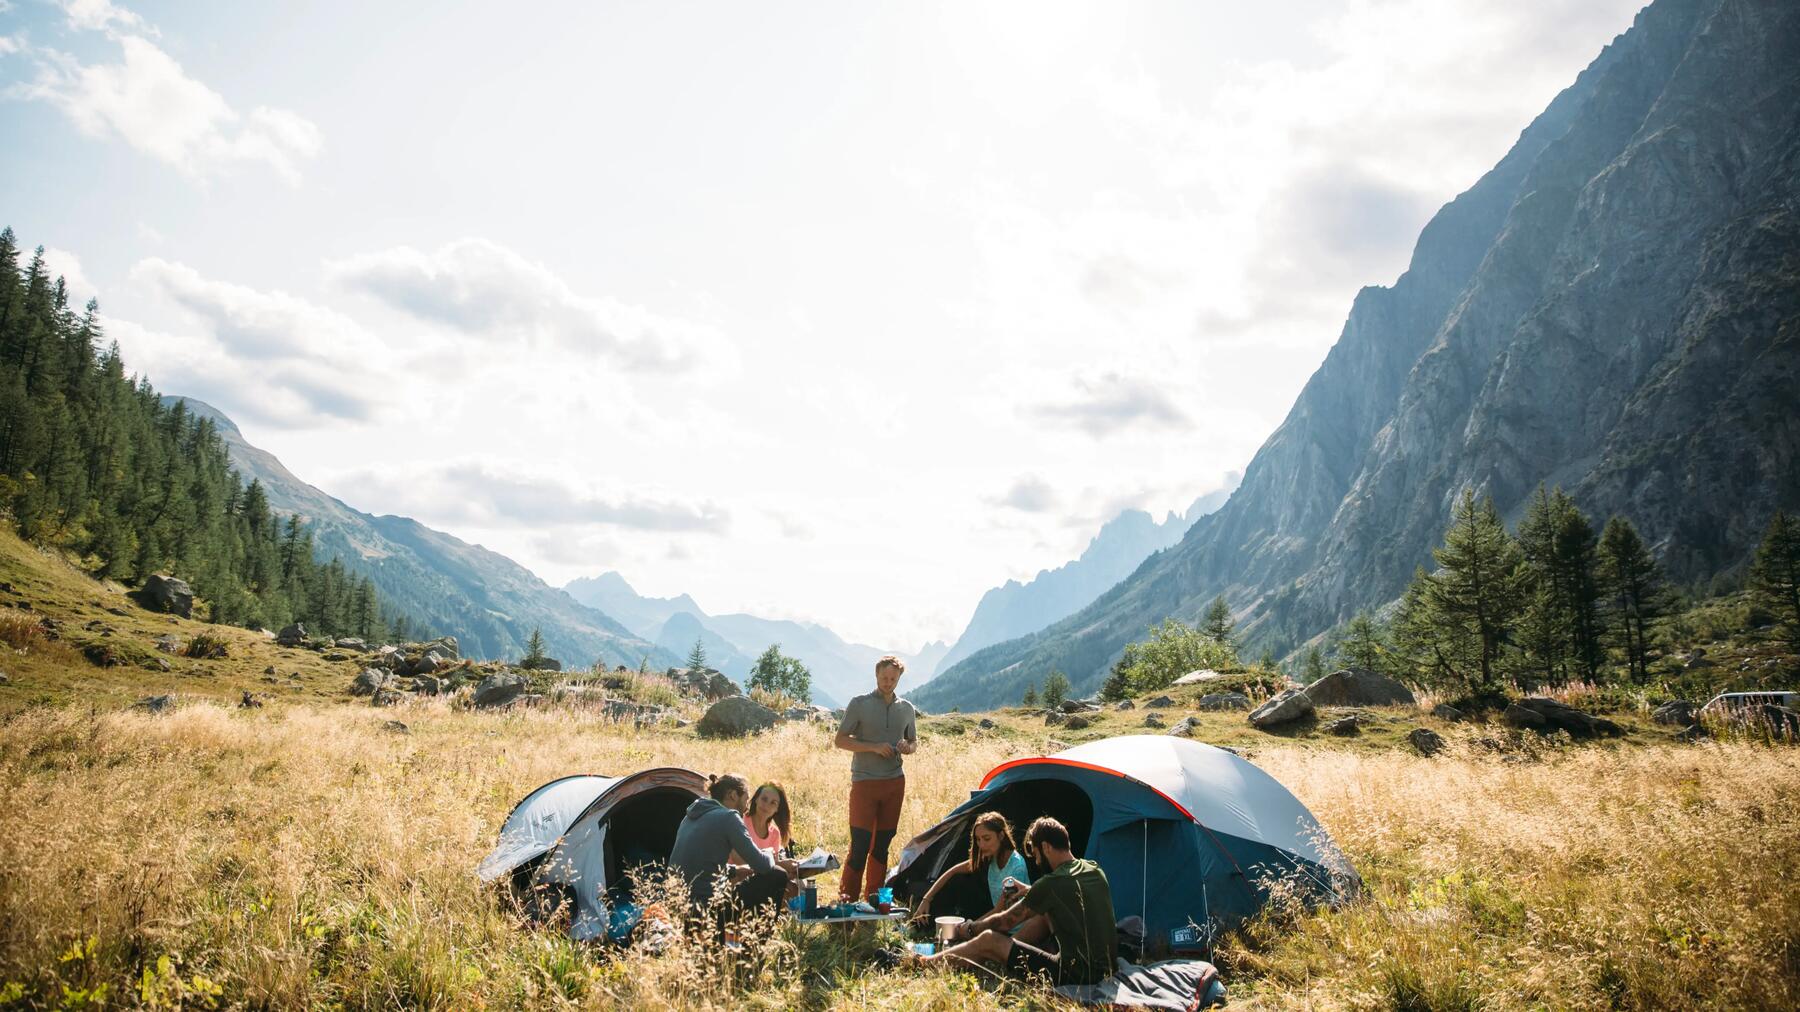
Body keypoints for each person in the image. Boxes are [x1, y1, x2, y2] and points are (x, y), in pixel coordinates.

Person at [907, 816, 1116, 986]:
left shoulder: (1051, 883)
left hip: (1074, 975)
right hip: (1107, 969)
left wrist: (969, 929)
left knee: (989, 939)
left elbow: (1005, 922)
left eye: (1036, 853)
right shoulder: (1094, 870)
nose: (1036, 860)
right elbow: (1064, 892)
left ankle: (922, 963)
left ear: (1046, 847)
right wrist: (1028, 889)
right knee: (1045, 915)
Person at [668, 773, 799, 934]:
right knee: (777, 875)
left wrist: (734, 871)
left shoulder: (692, 815)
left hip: (680, 908)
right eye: (745, 799)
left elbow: (702, 863)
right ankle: (751, 945)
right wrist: (771, 856)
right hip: (708, 909)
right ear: (732, 795)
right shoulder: (729, 817)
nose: (745, 807)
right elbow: (763, 865)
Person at [834, 655, 917, 901]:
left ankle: (873, 901)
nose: (888, 682)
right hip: (864, 783)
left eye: (893, 678)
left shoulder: (906, 708)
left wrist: (906, 747)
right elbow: (840, 740)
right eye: (884, 677)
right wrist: (873, 747)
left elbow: (913, 743)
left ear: (899, 678)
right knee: (860, 845)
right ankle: (846, 899)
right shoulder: (859, 704)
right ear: (876, 675)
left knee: (882, 845)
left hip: (894, 783)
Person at [911, 811, 1030, 926]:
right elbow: (953, 871)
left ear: (1001, 835)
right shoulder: (990, 857)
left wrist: (971, 927)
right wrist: (926, 899)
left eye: (987, 838)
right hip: (997, 921)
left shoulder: (1016, 866)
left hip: (1013, 928)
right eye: (978, 840)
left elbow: (1001, 910)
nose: (981, 845)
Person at [729, 782, 792, 868]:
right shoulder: (739, 821)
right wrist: (780, 865)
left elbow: (773, 869)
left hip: (759, 878)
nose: (766, 805)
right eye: (764, 799)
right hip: (733, 878)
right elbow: (739, 861)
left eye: (773, 803)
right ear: (756, 799)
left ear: (777, 809)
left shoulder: (775, 834)